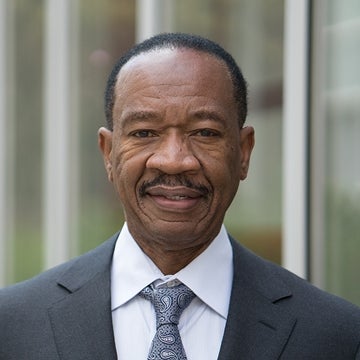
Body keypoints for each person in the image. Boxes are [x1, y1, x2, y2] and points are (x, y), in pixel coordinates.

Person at [0, 33, 359, 360]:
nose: (174, 161)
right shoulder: (13, 326)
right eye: (144, 132)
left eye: (204, 132)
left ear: (243, 152)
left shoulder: (336, 337)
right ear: (108, 153)